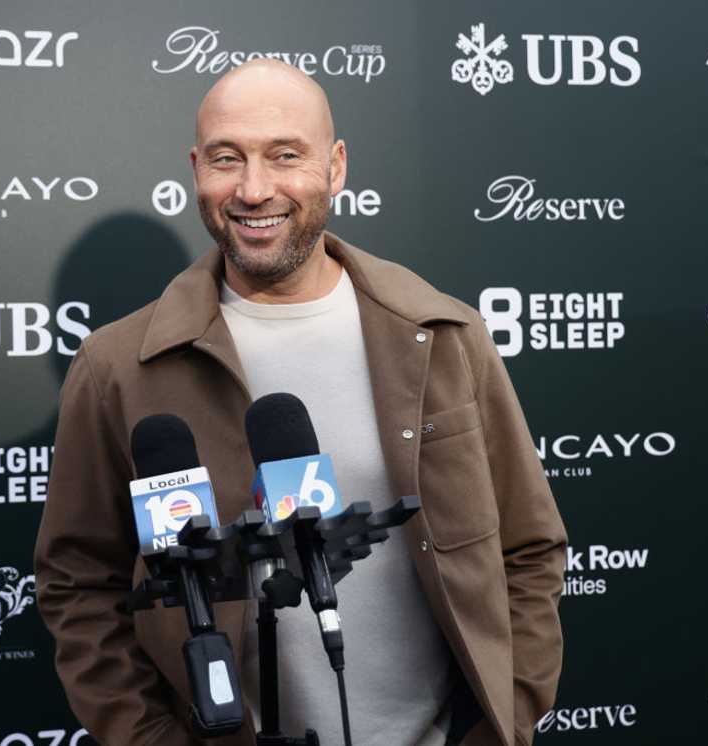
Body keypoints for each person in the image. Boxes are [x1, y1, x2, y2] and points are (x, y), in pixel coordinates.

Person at [34, 59, 567, 746]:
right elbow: (79, 585)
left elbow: (529, 549)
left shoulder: (444, 334)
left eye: (285, 156)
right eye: (227, 158)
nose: (254, 189)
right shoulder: (117, 367)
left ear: (336, 167)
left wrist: (503, 722)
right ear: (196, 169)